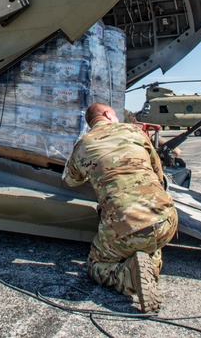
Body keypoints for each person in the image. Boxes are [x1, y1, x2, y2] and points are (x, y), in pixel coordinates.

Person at [63, 102, 178, 313]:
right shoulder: (134, 131)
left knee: (96, 265)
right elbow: (157, 171)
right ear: (108, 114)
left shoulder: (84, 143)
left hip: (123, 228)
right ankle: (149, 262)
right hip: (166, 221)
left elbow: (71, 180)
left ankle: (128, 278)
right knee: (151, 239)